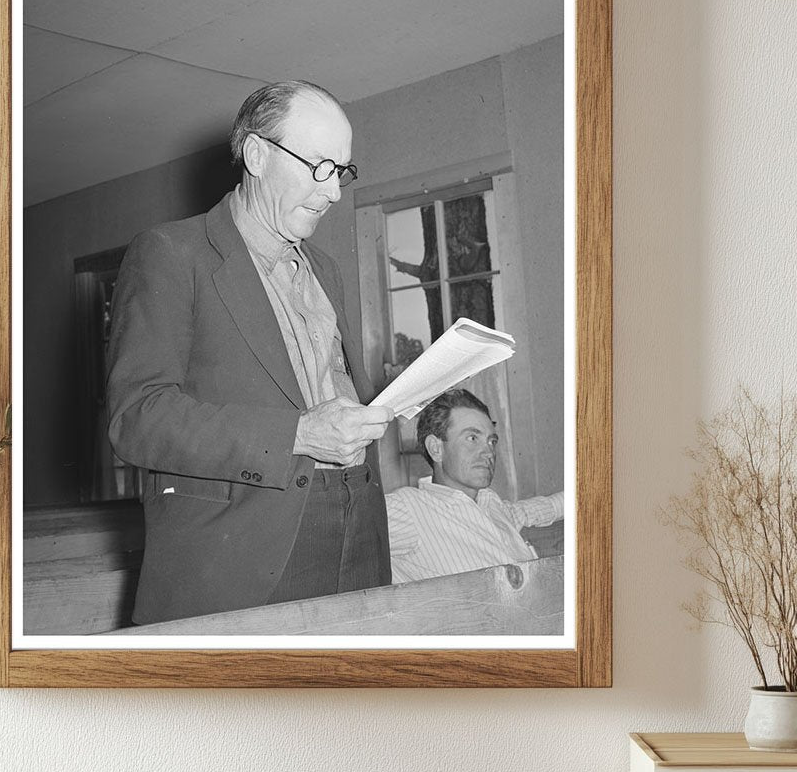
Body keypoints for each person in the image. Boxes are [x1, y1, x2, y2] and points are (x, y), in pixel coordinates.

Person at [107, 80, 394, 625]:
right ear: (257, 155)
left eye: (342, 170)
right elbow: (137, 418)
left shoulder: (324, 269)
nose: (333, 192)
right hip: (246, 553)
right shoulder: (171, 252)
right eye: (319, 166)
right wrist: (299, 435)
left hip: (360, 534)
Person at [385, 389, 563, 583]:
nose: (488, 452)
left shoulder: (491, 503)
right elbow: (351, 533)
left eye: (491, 441)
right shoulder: (409, 508)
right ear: (436, 449)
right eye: (472, 438)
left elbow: (541, 509)